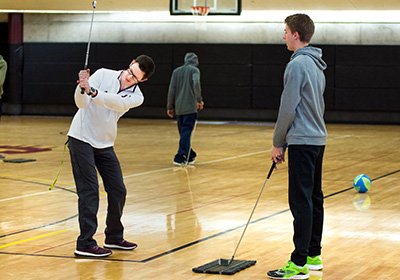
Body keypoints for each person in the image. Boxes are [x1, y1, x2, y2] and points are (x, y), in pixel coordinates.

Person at [67, 55, 155, 258]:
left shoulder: (137, 97)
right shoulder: (103, 74)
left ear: (143, 81)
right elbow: (81, 104)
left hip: (105, 143)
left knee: (118, 190)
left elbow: (113, 102)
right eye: (130, 72)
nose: (128, 78)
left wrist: (93, 91)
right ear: (130, 63)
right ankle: (85, 243)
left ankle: (114, 236)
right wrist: (82, 87)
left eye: (134, 78)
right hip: (81, 137)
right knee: (89, 190)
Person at [267, 14, 327, 280]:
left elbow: (287, 108)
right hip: (318, 139)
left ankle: (299, 262)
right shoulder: (317, 65)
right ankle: (313, 255)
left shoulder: (296, 65)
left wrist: (278, 143)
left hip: (302, 141)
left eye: (285, 31)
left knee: (300, 201)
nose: (283, 36)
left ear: (295, 34)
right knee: (314, 198)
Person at [167, 52, 204, 166]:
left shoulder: (176, 72)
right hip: (190, 108)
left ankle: (190, 154)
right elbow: (196, 83)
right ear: (196, 61)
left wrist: (170, 106)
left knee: (183, 133)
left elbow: (171, 89)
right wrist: (199, 99)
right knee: (186, 132)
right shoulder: (194, 70)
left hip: (179, 108)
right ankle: (180, 156)